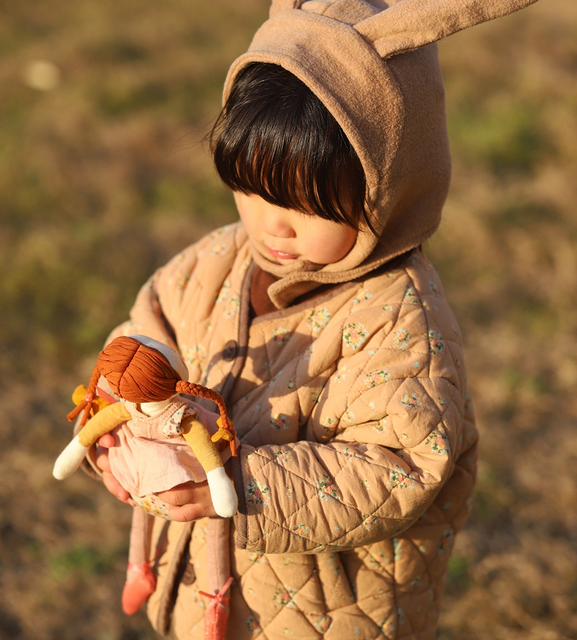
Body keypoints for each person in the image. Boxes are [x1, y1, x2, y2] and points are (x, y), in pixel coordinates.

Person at [83, 1, 538, 638]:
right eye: (252, 188)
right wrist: (116, 417)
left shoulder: (400, 322)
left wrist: (235, 483)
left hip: (328, 612)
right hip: (208, 595)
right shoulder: (213, 262)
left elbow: (398, 466)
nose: (273, 225)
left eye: (308, 203)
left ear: (390, 187)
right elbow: (147, 327)